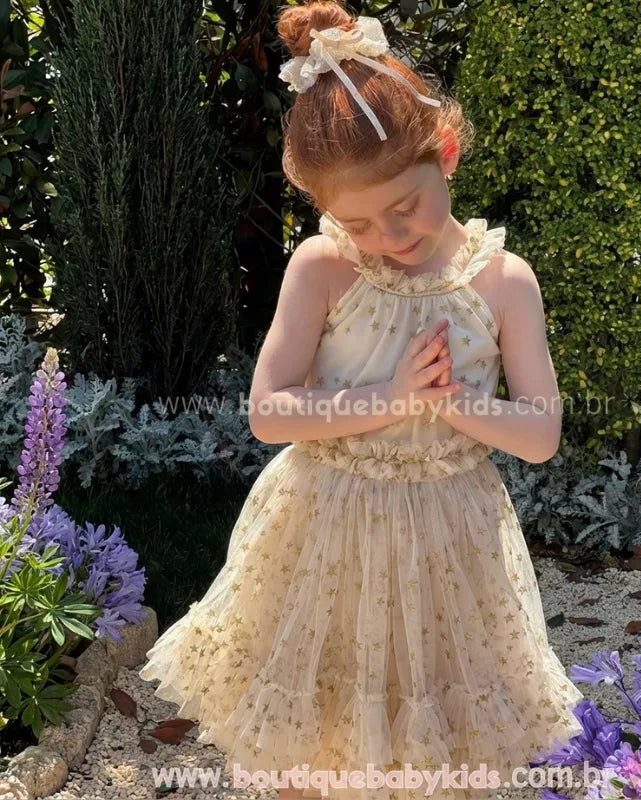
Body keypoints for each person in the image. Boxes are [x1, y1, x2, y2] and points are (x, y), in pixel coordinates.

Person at [138, 2, 585, 798]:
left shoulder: (503, 283)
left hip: (451, 534)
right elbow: (269, 411)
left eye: (405, 206)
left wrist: (448, 404)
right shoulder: (323, 268)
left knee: (441, 741)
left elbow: (541, 433)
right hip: (323, 524)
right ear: (322, 211)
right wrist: (389, 395)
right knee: (315, 727)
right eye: (357, 220)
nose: (388, 234)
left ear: (444, 153)